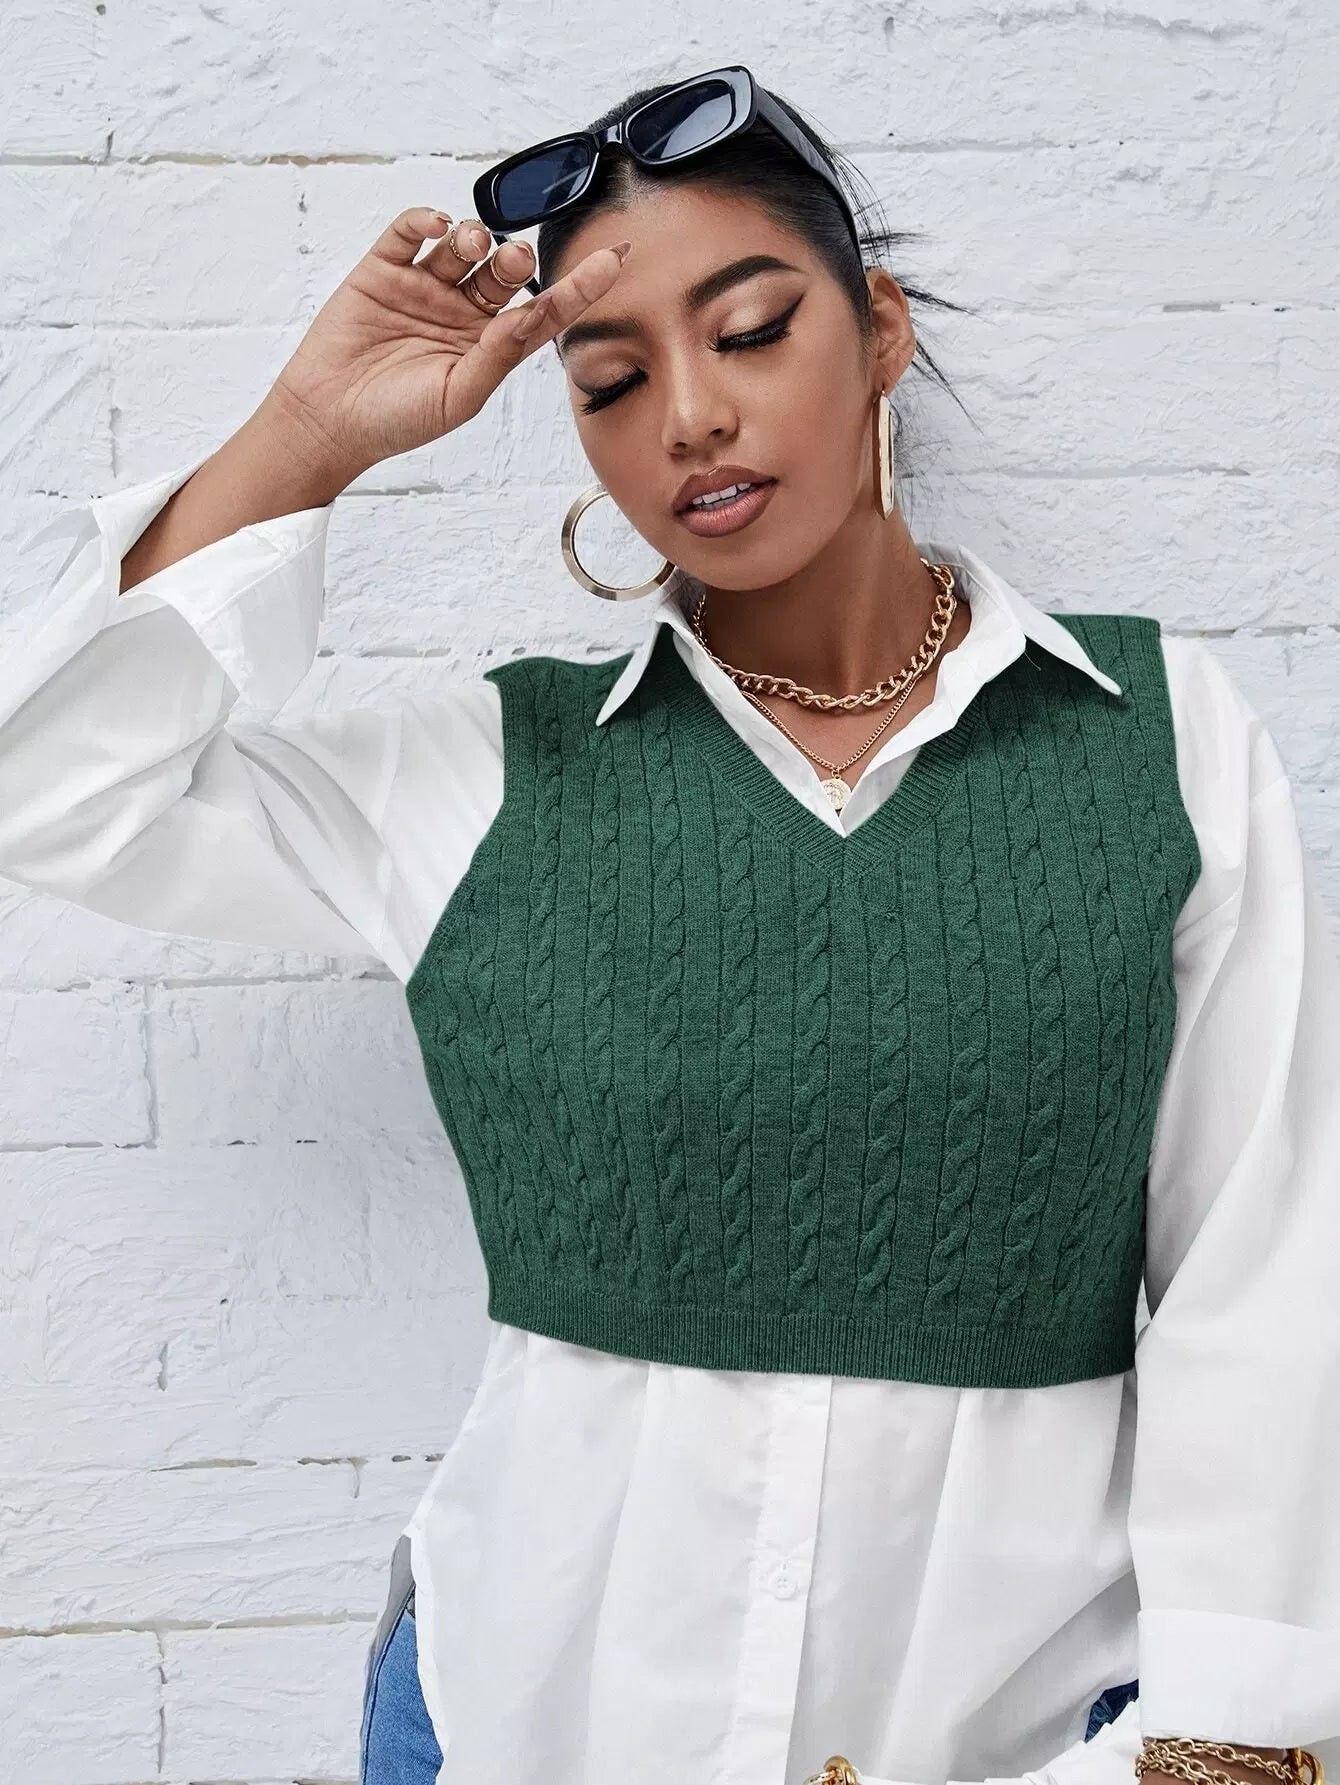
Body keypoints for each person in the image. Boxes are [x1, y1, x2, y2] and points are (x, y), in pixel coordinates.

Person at [1, 63, 1337, 1785]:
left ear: (880, 332)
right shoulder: (490, 776)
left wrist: (1227, 1746)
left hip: (1033, 1746)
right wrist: (307, 438)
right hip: (518, 1726)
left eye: (754, 331)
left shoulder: (1160, 743)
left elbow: (1268, 1278)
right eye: (613, 382)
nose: (691, 417)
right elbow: (51, 791)